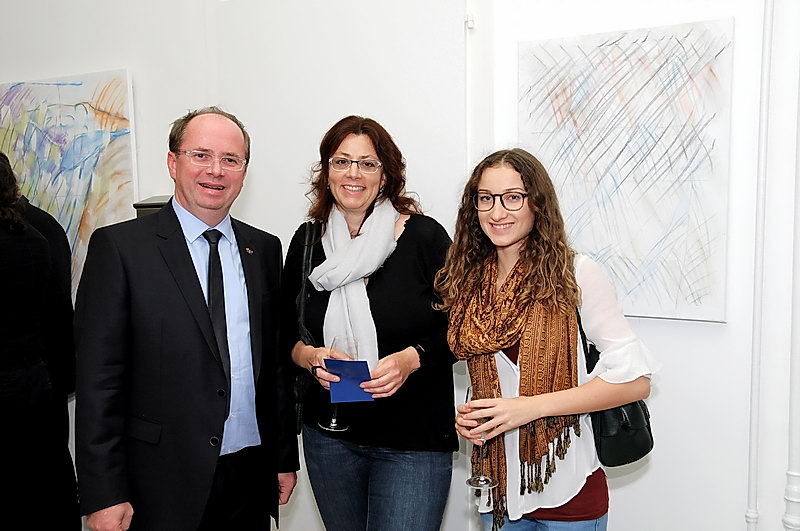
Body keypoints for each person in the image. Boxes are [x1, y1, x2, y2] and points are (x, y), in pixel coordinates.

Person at [74, 107, 299, 531]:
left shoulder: (264, 249)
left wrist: (283, 457)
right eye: (201, 155)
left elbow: (273, 366)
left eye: (230, 159)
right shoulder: (120, 250)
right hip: (159, 483)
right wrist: (103, 492)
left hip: (250, 475)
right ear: (173, 162)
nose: (216, 170)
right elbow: (99, 382)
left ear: (244, 172)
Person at [436, 148, 659, 530]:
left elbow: (636, 382)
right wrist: (473, 416)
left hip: (568, 489)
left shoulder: (576, 274)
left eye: (512, 197)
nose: (497, 212)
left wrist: (529, 408)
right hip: (498, 491)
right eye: (485, 198)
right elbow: (496, 377)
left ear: (537, 203)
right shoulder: (469, 280)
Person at [281, 115, 457, 530]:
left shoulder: (424, 238)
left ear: (386, 175)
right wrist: (309, 357)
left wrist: (412, 359)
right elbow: (283, 333)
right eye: (342, 162)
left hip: (412, 442)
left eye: (367, 163)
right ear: (326, 171)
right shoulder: (307, 241)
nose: (353, 174)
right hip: (330, 437)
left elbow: (465, 328)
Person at [0, 152, 80, 529]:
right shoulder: (36, 234)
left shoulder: (35, 232)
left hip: (24, 388)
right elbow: (59, 315)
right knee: (46, 493)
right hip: (37, 388)